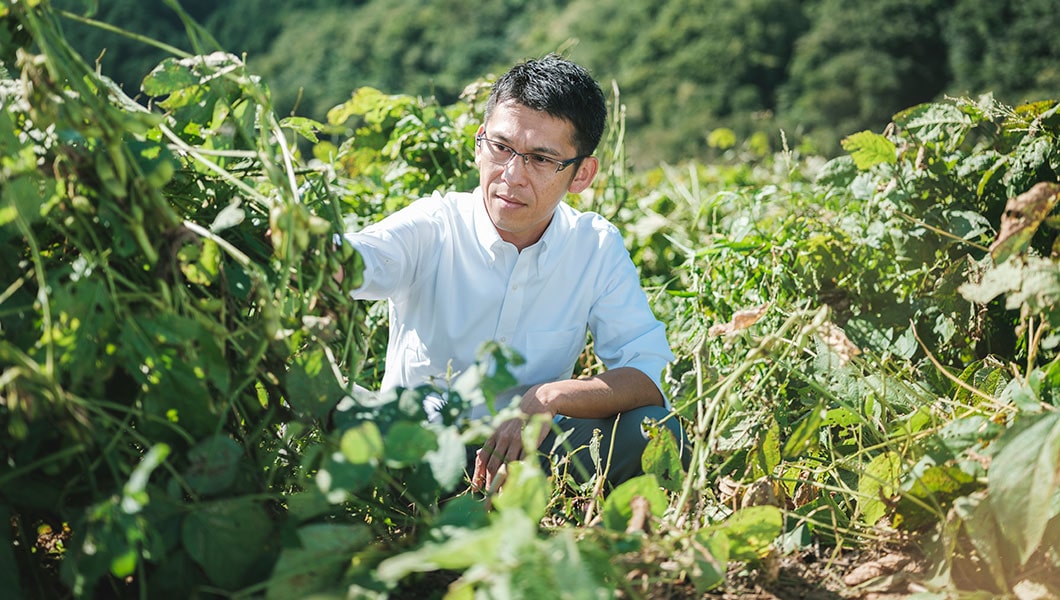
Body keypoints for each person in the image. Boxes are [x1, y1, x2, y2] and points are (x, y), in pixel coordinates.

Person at [339, 54, 687, 493]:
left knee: (656, 431)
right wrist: (309, 248)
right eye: (501, 147)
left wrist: (549, 397)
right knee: (349, 415)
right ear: (479, 141)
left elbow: (649, 376)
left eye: (541, 159)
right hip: (415, 453)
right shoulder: (434, 225)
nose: (512, 175)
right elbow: (359, 257)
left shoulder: (594, 247)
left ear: (581, 174)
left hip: (529, 461)